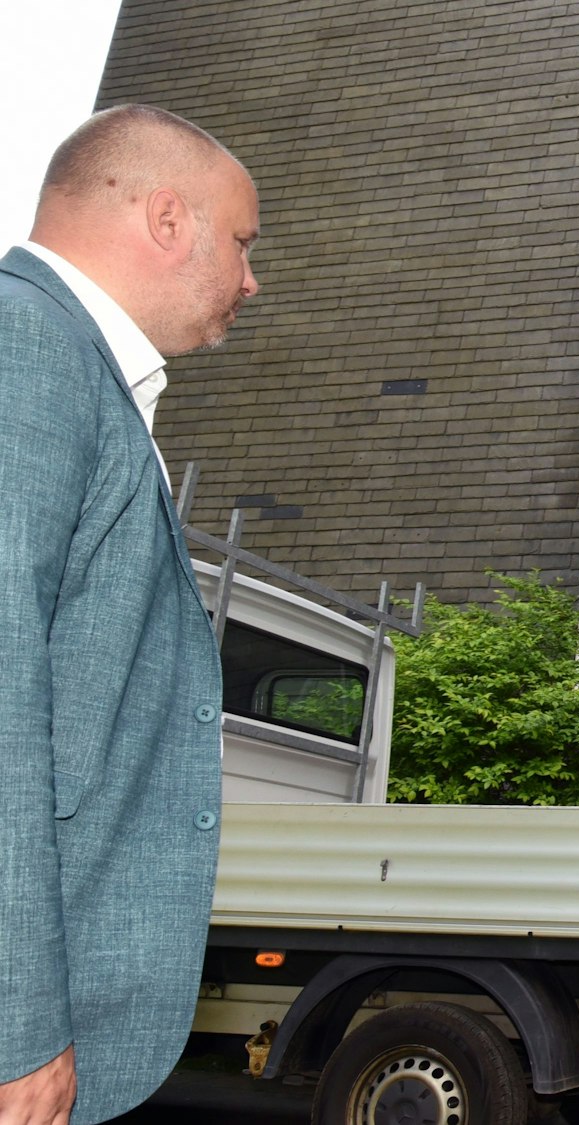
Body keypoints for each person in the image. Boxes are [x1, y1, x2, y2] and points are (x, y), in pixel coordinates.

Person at [0, 105, 260, 1124]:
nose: (251, 279)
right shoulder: (28, 352)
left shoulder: (69, 367)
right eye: (242, 242)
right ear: (166, 219)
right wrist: (16, 1027)